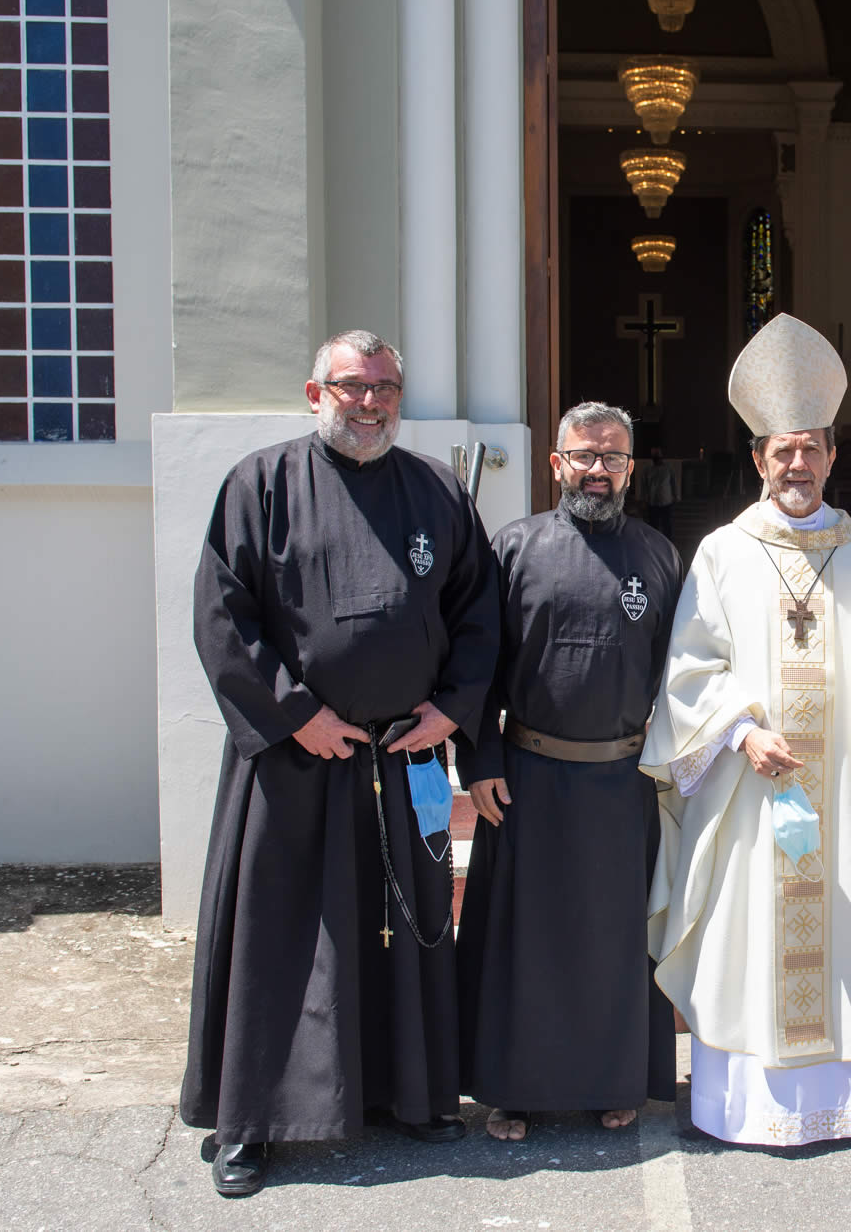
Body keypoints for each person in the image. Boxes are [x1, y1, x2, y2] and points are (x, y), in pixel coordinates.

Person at [181, 330, 500, 1197]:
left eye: (387, 388)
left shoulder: (435, 490)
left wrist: (450, 708)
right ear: (315, 392)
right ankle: (254, 1123)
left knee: (409, 926)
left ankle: (415, 1096)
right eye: (354, 386)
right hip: (296, 761)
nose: (372, 403)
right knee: (282, 940)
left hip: (406, 757)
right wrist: (295, 715)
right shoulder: (261, 485)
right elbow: (224, 616)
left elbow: (480, 614)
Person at [640, 313, 851, 1146]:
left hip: (842, 796)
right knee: (752, 947)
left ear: (834, 457)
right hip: (752, 794)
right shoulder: (723, 554)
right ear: (760, 460)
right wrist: (739, 733)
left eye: (811, 448)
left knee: (846, 938)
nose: (796, 464)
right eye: (781, 451)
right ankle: (752, 1109)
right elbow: (691, 670)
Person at [454, 401, 684, 1141]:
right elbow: (476, 667)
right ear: (557, 464)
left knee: (612, 942)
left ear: (629, 468)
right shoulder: (513, 548)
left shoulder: (658, 558)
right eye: (583, 455)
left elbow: (683, 674)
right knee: (523, 942)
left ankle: (615, 1084)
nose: (597, 469)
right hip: (524, 777)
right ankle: (510, 1091)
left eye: (612, 457)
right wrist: (481, 758)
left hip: (621, 783)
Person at [641, 443, 679, 538]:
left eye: (658, 455)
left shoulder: (668, 468)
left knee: (667, 526)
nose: (656, 457)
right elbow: (644, 485)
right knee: (653, 526)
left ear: (661, 456)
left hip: (666, 501)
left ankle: (669, 544)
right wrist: (643, 499)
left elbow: (673, 483)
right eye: (654, 456)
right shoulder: (647, 469)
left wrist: (676, 496)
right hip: (652, 502)